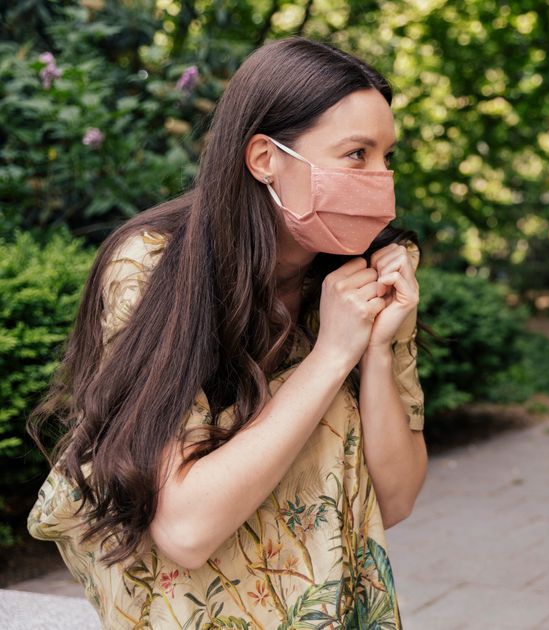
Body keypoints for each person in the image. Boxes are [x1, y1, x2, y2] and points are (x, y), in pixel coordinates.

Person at [27, 37, 427, 628]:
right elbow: (185, 528)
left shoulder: (372, 275)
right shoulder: (156, 268)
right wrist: (332, 353)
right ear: (266, 157)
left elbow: (394, 499)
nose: (380, 179)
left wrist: (374, 347)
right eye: (356, 154)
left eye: (387, 157)